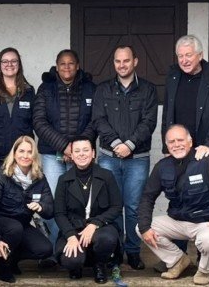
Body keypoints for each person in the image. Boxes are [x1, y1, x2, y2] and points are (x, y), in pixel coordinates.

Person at [137, 125, 209, 285]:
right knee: (141, 228)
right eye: (171, 142)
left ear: (190, 142)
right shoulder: (162, 166)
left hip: (205, 222)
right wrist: (145, 227)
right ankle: (178, 260)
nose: (176, 144)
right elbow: (147, 197)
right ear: (167, 146)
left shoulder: (208, 161)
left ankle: (204, 270)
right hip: (178, 221)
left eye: (180, 140)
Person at [93, 44, 158, 270]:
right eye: (118, 61)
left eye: (126, 61)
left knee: (132, 207)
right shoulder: (103, 90)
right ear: (114, 63)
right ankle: (114, 250)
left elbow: (149, 122)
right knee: (112, 206)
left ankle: (132, 251)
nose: (122, 65)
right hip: (109, 157)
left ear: (135, 62)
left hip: (137, 158)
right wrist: (116, 143)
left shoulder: (148, 90)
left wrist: (129, 144)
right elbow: (99, 120)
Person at [32, 49, 96, 265]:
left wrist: (77, 149)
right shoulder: (46, 88)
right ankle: (54, 247)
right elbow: (39, 122)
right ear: (56, 66)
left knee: (79, 201)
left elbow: (94, 121)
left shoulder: (89, 88)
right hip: (52, 155)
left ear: (77, 66)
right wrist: (64, 146)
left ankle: (79, 247)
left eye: (71, 64)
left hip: (80, 157)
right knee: (52, 202)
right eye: (62, 64)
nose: (66, 67)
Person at [54, 136, 123, 284]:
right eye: (77, 151)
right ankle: (78, 264)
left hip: (100, 229)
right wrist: (70, 236)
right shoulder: (63, 179)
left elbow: (117, 206)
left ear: (93, 153)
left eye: (86, 150)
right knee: (71, 260)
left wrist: (95, 224)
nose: (81, 154)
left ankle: (99, 264)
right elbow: (59, 213)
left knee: (107, 239)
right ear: (71, 155)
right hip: (74, 230)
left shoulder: (107, 176)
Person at [0, 135, 54, 283]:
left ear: (34, 155)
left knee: (45, 249)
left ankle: (12, 258)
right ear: (14, 153)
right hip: (0, 223)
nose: (25, 155)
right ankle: (3, 268)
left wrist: (41, 207)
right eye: (21, 151)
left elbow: (50, 211)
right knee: (14, 228)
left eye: (29, 152)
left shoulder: (40, 178)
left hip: (21, 225)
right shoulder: (0, 176)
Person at [161, 35, 209, 166]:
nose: (184, 60)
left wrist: (208, 146)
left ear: (200, 55)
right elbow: (167, 115)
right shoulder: (173, 75)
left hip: (208, 152)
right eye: (180, 56)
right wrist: (167, 148)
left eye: (188, 55)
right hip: (179, 152)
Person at [0, 47, 36, 179]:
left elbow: (36, 121)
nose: (9, 64)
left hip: (22, 155)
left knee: (20, 195)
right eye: (5, 61)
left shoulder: (29, 91)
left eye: (13, 61)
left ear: (19, 64)